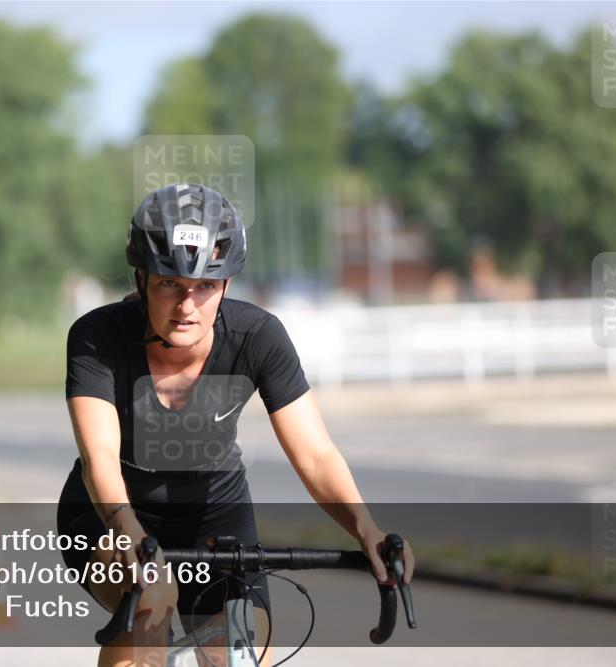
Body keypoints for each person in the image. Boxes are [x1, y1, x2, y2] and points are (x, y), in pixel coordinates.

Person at [57, 183, 414, 666]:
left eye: (205, 286)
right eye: (170, 285)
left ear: (226, 284)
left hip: (216, 517)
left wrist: (365, 528)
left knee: (241, 653)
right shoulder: (97, 338)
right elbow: (99, 459)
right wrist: (131, 535)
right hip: (111, 515)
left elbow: (315, 454)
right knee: (149, 604)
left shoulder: (257, 337)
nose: (187, 306)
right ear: (141, 279)